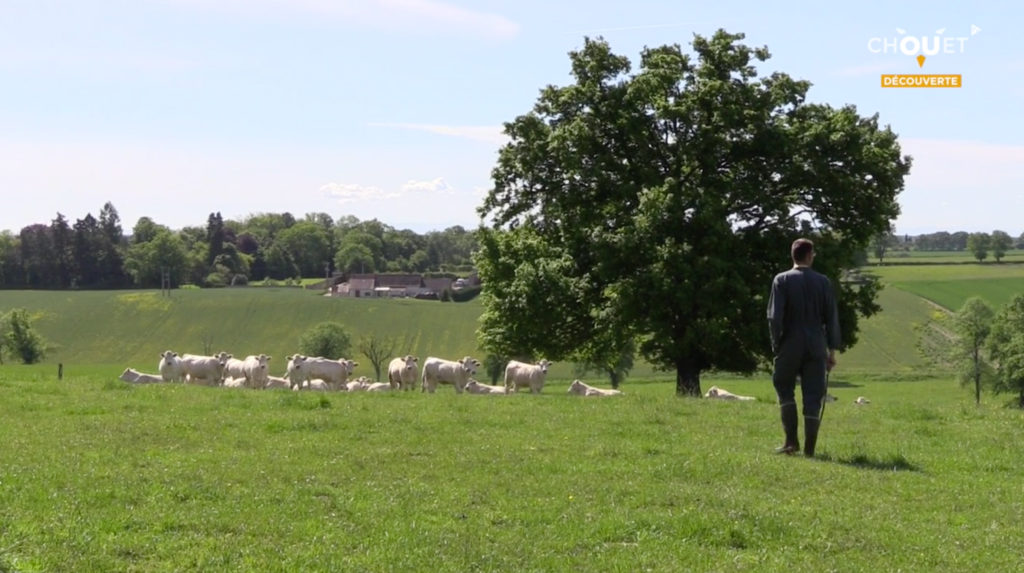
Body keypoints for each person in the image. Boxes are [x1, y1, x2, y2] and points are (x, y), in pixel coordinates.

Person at [767, 238, 841, 457]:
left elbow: (774, 317)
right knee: (813, 396)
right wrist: (832, 350)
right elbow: (832, 317)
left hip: (790, 343)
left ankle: (791, 443)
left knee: (784, 387)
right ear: (809, 256)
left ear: (793, 255)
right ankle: (810, 450)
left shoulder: (781, 280)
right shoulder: (823, 282)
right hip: (816, 345)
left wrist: (776, 344)